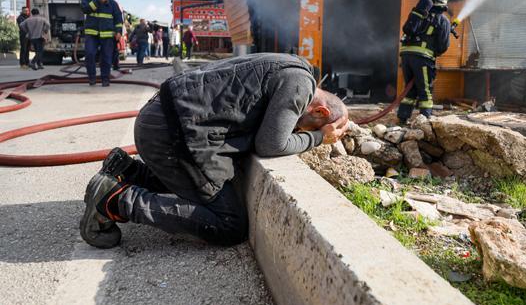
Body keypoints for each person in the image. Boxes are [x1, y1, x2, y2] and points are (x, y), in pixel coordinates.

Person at [79, 53, 349, 248]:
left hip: (162, 123)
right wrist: (317, 138)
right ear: (321, 111)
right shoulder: (299, 86)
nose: (297, 130)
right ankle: (115, 200)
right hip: (172, 135)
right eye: (307, 126)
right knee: (230, 224)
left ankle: (125, 170)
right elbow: (272, 145)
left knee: (196, 180)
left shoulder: (291, 66)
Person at [397, 0, 452, 124]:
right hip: (422, 59)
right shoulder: (443, 20)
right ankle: (425, 121)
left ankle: (402, 118)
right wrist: (434, 52)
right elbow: (443, 46)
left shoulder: (420, 14)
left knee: (409, 90)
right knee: (425, 90)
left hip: (406, 56)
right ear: (444, 2)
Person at [80, 0, 124, 87]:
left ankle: (105, 79)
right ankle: (92, 78)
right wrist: (98, 1)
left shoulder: (112, 3)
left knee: (106, 58)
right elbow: (85, 10)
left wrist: (118, 31)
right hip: (92, 34)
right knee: (90, 55)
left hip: (107, 35)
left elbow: (118, 18)